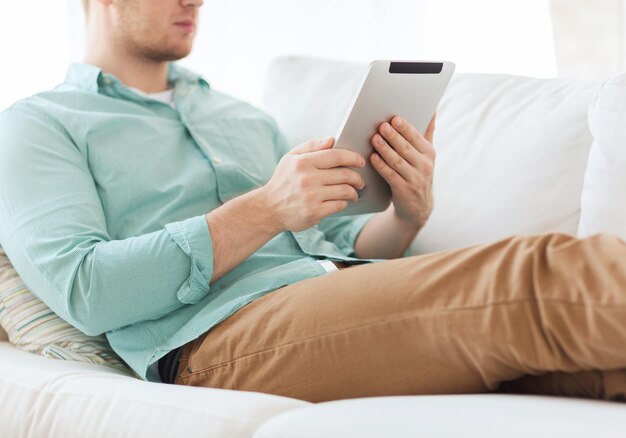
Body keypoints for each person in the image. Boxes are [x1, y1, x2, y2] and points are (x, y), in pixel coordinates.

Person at [0, 0, 625, 403]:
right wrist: (267, 207)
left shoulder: (239, 116)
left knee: (591, 377)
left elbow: (332, 247)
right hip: (217, 340)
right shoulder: (39, 124)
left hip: (330, 291)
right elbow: (86, 290)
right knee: (538, 272)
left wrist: (406, 214)